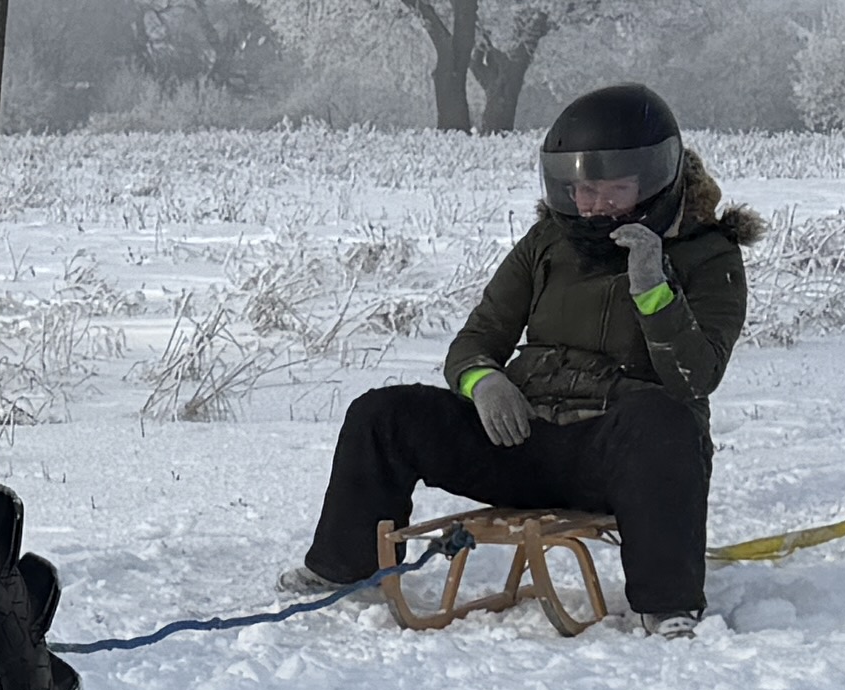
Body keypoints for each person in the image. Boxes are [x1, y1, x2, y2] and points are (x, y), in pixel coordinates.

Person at [289, 81, 763, 633]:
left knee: (666, 420)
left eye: (613, 189)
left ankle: (668, 605)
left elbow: (694, 376)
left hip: (615, 457)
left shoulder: (710, 255)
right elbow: (475, 342)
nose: (593, 205)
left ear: (656, 180)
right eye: (582, 190)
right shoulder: (547, 241)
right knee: (382, 414)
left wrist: (654, 290)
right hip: (520, 439)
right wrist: (483, 382)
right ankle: (343, 567)